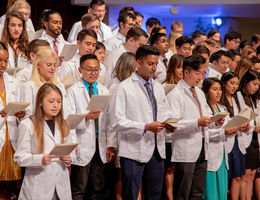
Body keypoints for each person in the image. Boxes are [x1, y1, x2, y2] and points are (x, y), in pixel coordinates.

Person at [110, 45, 176, 200]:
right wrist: (145, 127)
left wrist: (169, 125)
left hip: (156, 151)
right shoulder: (123, 88)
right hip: (133, 150)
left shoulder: (158, 87)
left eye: (156, 63)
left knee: (154, 194)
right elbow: (117, 122)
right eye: (150, 64)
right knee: (131, 194)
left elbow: (164, 112)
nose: (154, 68)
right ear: (138, 63)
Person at [167, 55, 222, 199]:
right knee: (182, 192)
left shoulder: (199, 92)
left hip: (203, 146)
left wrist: (215, 121)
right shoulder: (175, 94)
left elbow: (206, 114)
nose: (200, 77)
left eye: (202, 73)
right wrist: (196, 122)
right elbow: (173, 123)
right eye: (197, 73)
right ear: (186, 72)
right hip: (185, 148)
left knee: (197, 192)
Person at [14, 83, 73, 200]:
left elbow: (71, 150)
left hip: (61, 185)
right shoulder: (27, 124)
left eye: (59, 101)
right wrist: (39, 159)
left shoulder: (63, 124)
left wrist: (69, 158)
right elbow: (19, 158)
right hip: (38, 186)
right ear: (40, 102)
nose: (55, 105)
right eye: (51, 101)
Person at [67, 54, 112, 199]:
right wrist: (86, 117)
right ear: (80, 70)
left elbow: (109, 121)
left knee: (98, 187)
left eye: (96, 70)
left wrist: (110, 144)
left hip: (100, 143)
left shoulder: (104, 90)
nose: (93, 73)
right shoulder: (73, 91)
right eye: (89, 69)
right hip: (82, 142)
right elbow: (68, 121)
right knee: (79, 187)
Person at [202, 77, 238, 200]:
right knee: (211, 193)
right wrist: (223, 131)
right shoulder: (204, 109)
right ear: (207, 91)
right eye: (214, 89)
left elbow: (227, 130)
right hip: (210, 155)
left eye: (220, 89)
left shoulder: (222, 108)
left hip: (223, 155)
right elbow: (204, 133)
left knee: (222, 192)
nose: (218, 92)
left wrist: (233, 130)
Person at [0, 42, 26, 199]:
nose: (3, 64)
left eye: (5, 60)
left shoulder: (13, 81)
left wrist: (21, 113)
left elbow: (19, 105)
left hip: (12, 137)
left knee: (9, 183)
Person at [219, 72, 247, 200]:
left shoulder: (237, 98)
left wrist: (245, 124)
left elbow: (243, 115)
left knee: (238, 176)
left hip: (238, 140)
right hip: (225, 140)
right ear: (224, 83)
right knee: (226, 177)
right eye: (232, 83)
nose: (235, 86)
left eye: (236, 84)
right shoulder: (219, 99)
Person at [20, 48, 70, 118]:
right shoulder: (29, 87)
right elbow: (26, 115)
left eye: (54, 65)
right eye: (49, 65)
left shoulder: (60, 86)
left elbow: (66, 112)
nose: (52, 68)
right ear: (38, 65)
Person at [236, 70, 260, 200]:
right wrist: (252, 127)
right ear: (246, 82)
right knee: (244, 175)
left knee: (252, 173)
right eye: (254, 84)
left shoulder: (254, 98)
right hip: (244, 138)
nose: (256, 87)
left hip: (255, 139)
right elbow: (238, 118)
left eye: (258, 85)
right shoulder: (238, 96)